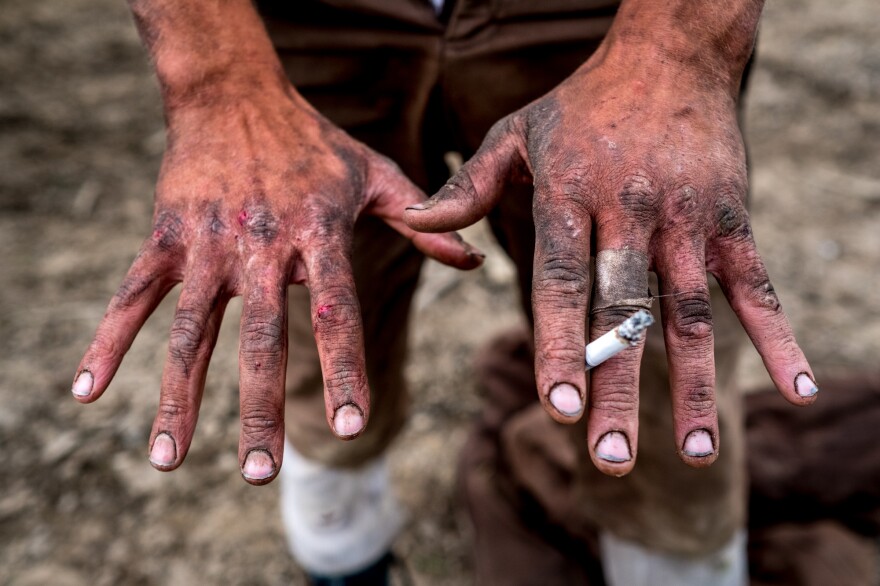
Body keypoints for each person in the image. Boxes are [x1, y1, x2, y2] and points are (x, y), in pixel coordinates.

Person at [70, 0, 819, 584]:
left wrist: (680, 48)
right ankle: (343, 559)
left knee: (649, 346)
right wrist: (213, 80)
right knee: (319, 329)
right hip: (299, 26)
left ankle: (677, 559)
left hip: (608, 20)